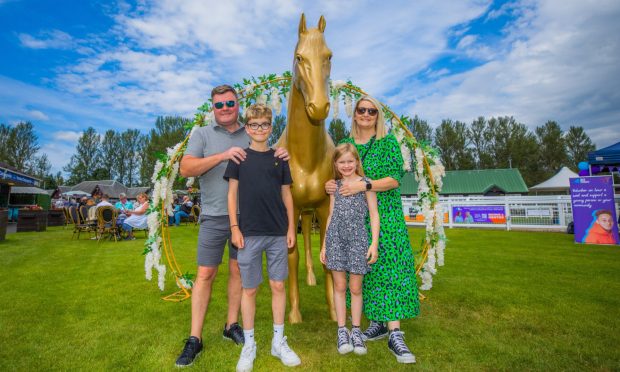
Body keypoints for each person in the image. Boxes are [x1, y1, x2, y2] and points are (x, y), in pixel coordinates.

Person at [176, 85, 289, 368]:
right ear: (212, 108)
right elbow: (186, 168)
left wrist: (282, 152)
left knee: (239, 272)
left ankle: (232, 324)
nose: (225, 108)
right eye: (219, 104)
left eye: (230, 103)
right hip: (215, 216)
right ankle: (194, 338)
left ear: (238, 104)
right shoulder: (202, 134)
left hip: (248, 220)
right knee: (206, 273)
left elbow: (269, 150)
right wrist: (223, 155)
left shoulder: (250, 129)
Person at [325, 96, 419, 364]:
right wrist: (330, 187)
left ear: (378, 116)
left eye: (372, 111)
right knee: (366, 275)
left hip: (385, 217)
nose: (366, 114)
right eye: (361, 110)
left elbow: (394, 179)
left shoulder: (388, 142)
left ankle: (395, 332)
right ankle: (375, 323)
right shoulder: (349, 144)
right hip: (353, 221)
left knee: (390, 269)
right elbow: (338, 176)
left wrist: (363, 186)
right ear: (354, 114)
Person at [225, 104, 301, 371]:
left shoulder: (280, 158)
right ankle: (249, 344)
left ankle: (278, 342)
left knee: (278, 286)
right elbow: (232, 194)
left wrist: (292, 228)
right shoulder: (239, 159)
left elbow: (287, 195)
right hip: (248, 234)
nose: (260, 129)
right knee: (250, 289)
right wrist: (234, 227)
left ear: (271, 127)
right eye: (254, 125)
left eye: (265, 125)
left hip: (278, 232)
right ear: (247, 128)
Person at [320, 143, 380, 356]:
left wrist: (373, 243)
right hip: (336, 239)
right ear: (335, 164)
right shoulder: (333, 186)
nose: (346, 165)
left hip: (358, 241)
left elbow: (373, 214)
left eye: (349, 161)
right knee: (339, 285)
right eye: (341, 162)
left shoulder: (366, 184)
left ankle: (356, 330)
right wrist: (325, 244)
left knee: (355, 287)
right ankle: (342, 331)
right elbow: (330, 214)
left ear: (356, 162)